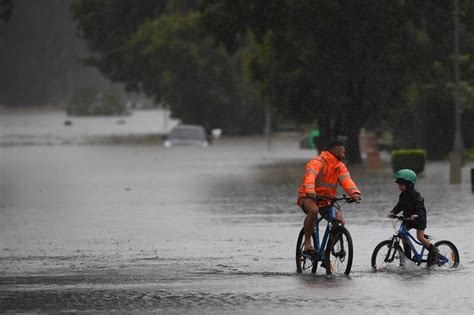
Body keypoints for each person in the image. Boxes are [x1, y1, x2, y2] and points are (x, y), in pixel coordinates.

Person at [297, 140, 361, 256]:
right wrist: (310, 190)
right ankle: (307, 243)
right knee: (313, 210)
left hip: (326, 200)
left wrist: (354, 193)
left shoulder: (340, 166)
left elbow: (346, 181)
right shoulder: (317, 162)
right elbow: (310, 177)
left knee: (339, 222)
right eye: (343, 152)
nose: (344, 155)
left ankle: (327, 252)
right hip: (308, 197)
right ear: (337, 152)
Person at [387, 169, 439, 267]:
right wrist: (393, 212)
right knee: (402, 235)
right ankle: (407, 256)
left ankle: (434, 250)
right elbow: (399, 205)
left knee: (420, 237)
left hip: (419, 218)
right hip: (407, 218)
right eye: (398, 184)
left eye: (401, 184)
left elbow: (419, 205)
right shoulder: (402, 195)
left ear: (409, 184)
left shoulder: (416, 195)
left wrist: (416, 214)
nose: (399, 186)